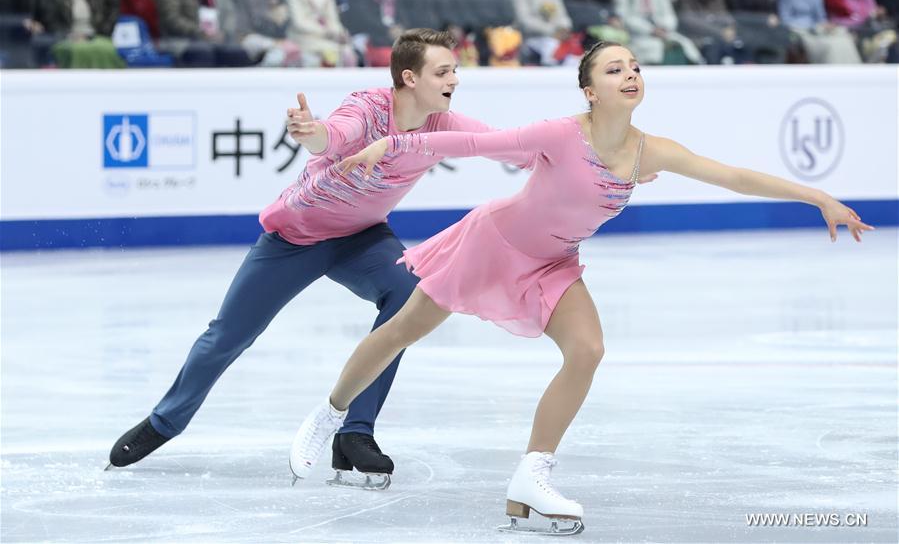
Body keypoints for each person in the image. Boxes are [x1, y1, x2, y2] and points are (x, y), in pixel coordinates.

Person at [287, 41, 874, 534]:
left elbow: (734, 175)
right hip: (492, 244)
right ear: (590, 90)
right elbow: (472, 145)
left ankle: (530, 478)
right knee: (401, 331)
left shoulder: (651, 150)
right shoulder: (561, 133)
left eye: (635, 67)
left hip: (554, 262)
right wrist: (394, 143)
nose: (630, 75)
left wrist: (817, 196)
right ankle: (330, 411)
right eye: (614, 69)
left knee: (588, 350)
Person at [106, 28, 545, 489]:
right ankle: (164, 422)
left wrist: (563, 151)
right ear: (410, 77)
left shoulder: (442, 125)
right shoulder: (369, 107)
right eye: (443, 71)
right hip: (294, 238)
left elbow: (504, 144)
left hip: (363, 240)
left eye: (454, 70)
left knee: (409, 297)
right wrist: (312, 132)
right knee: (228, 336)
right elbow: (334, 136)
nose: (454, 78)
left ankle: (356, 433)